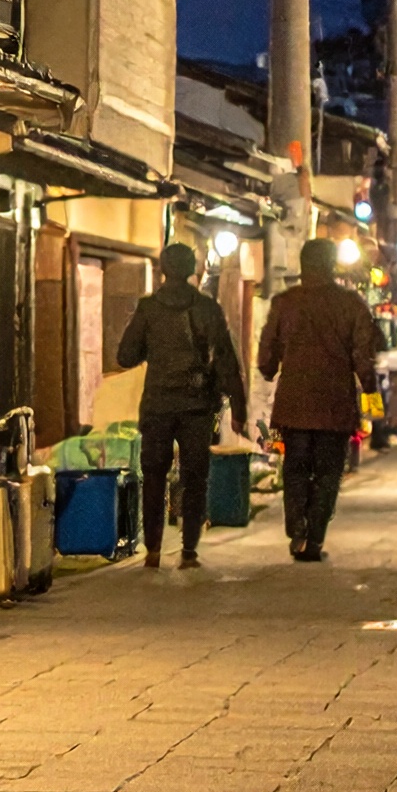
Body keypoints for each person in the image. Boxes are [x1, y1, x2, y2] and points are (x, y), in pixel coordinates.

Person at [117, 242, 245, 570]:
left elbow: (125, 356)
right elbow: (227, 359)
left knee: (155, 476)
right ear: (192, 270)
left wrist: (154, 350)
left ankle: (154, 551)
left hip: (158, 404)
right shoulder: (207, 308)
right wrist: (238, 407)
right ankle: (188, 551)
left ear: (162, 269)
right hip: (197, 406)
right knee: (194, 477)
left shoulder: (148, 309)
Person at [254, 238, 380, 562]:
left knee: (294, 468)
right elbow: (365, 358)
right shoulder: (352, 304)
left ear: (301, 264)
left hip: (292, 406)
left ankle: (296, 530)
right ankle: (315, 540)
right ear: (333, 265)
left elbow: (267, 356)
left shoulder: (285, 302)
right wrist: (371, 397)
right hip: (335, 406)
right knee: (328, 472)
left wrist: (270, 370)